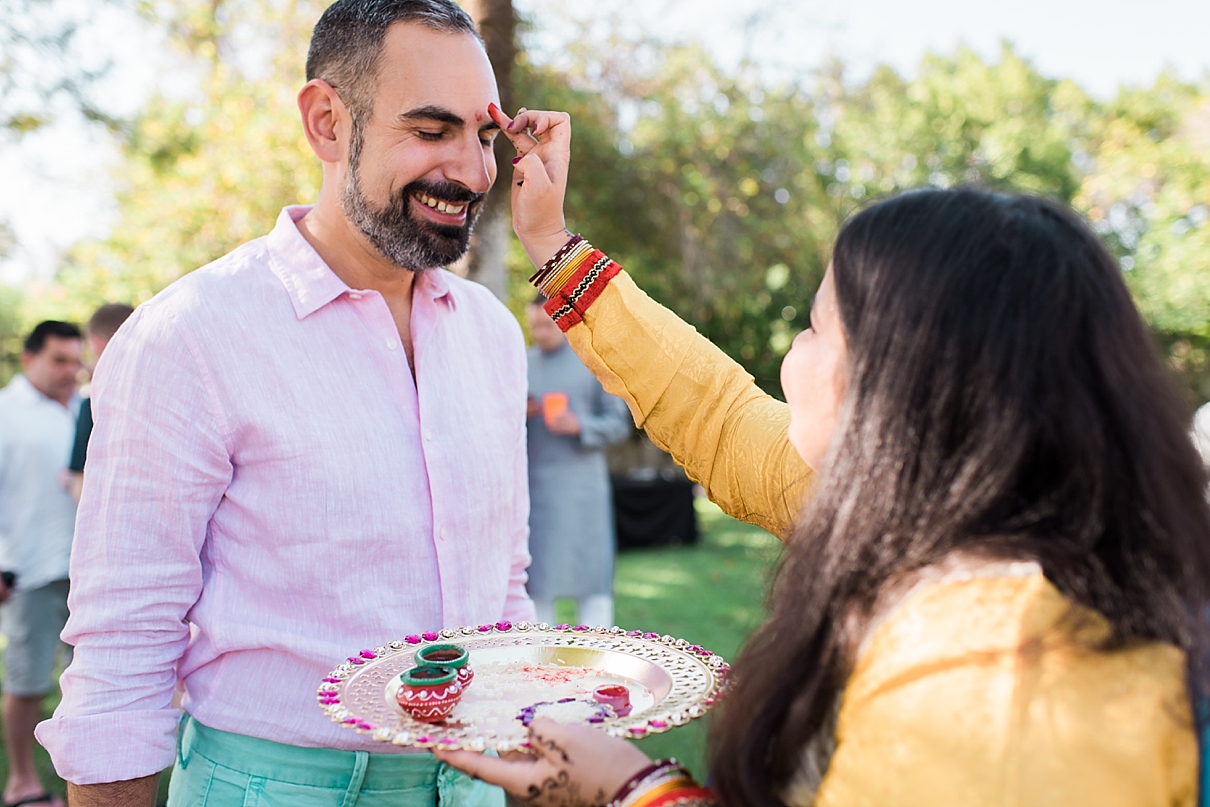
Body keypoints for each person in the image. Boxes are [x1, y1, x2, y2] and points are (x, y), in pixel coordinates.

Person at [431, 108, 1210, 805]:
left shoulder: (987, 685)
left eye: (813, 327)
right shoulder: (926, 519)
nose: (789, 360)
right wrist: (552, 242)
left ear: (895, 388)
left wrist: (636, 791)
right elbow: (717, 415)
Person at [35, 3, 533, 806]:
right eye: (431, 130)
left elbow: (503, 581)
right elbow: (123, 650)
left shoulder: (493, 335)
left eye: (483, 135)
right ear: (327, 122)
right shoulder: (188, 336)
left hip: (475, 781)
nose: (475, 172)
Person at [0, 320, 83, 807]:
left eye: (76, 361)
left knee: (88, 685)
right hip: (27, 569)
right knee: (27, 681)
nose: (70, 371)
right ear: (29, 358)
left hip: (86, 571)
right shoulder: (6, 412)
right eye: (59, 360)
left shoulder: (86, 407)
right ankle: (21, 784)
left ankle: (82, 782)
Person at [525, 295, 631, 627]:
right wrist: (521, 413)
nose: (540, 333)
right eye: (534, 326)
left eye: (546, 325)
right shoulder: (523, 363)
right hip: (536, 491)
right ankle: (539, 652)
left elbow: (619, 424)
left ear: (562, 321)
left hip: (583, 491)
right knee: (538, 581)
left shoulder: (592, 362)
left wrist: (580, 425)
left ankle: (599, 650)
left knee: (591, 577)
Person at [65, 303, 136, 503]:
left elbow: (81, 491)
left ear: (96, 343)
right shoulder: (170, 398)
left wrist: (69, 480)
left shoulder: (94, 405)